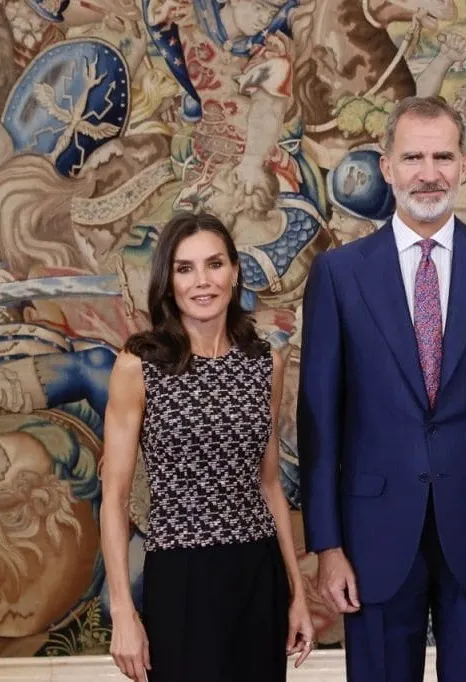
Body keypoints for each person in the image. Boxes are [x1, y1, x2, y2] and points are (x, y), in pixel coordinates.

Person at [298, 96, 466, 682]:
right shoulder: (338, 275)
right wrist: (327, 545)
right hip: (373, 539)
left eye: (442, 156)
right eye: (413, 157)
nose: (428, 173)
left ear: (465, 164)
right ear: (386, 167)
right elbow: (319, 424)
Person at [100, 212, 315, 681]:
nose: (202, 281)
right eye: (185, 268)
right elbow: (114, 498)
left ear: (235, 271)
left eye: (214, 264)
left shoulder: (265, 363)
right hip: (181, 577)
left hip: (258, 575)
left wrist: (298, 593)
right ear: (168, 280)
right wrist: (122, 612)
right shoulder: (139, 364)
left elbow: (270, 485)